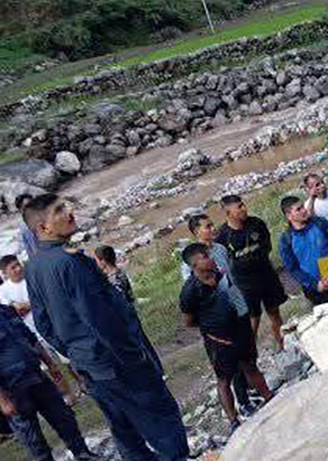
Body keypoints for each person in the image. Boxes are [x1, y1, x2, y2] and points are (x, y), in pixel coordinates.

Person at [22, 194, 189, 461]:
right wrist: (131, 354)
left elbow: (43, 324)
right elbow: (100, 318)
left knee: (124, 428)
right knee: (160, 418)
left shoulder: (33, 267)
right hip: (116, 361)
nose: (70, 212)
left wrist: (75, 351)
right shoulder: (69, 262)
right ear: (44, 227)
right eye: (60, 210)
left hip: (88, 364)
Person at [179, 244, 273, 434]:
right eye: (205, 256)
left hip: (240, 329)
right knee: (224, 379)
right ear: (195, 264)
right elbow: (188, 321)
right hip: (218, 341)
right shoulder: (190, 291)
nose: (211, 257)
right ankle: (233, 420)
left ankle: (269, 397)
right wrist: (211, 325)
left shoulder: (221, 273)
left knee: (250, 365)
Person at [184, 215, 259, 418]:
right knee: (231, 363)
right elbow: (194, 294)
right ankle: (243, 403)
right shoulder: (191, 261)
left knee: (248, 353)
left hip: (237, 305)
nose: (212, 228)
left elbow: (230, 275)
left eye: (211, 224)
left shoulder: (220, 249)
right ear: (196, 232)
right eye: (207, 227)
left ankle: (252, 389)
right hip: (218, 319)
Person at [0, 304, 97, 461]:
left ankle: (82, 453)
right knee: (32, 436)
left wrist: (51, 365)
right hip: (13, 389)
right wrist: (2, 400)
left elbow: (31, 339)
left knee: (63, 416)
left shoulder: (6, 310)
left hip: (36, 375)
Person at [0, 255, 81, 402]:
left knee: (68, 359)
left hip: (50, 326)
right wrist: (30, 305)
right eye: (13, 267)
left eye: (18, 264)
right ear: (5, 272)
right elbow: (12, 311)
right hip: (31, 333)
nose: (18, 269)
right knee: (51, 367)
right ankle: (67, 395)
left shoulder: (31, 278)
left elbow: (44, 299)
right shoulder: (3, 291)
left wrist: (26, 305)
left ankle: (82, 384)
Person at [215, 195, 287, 351]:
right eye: (239, 207)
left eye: (243, 205)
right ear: (228, 213)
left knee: (274, 311)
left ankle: (283, 345)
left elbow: (267, 246)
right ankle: (249, 354)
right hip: (244, 284)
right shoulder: (222, 236)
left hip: (266, 275)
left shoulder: (256, 223)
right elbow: (222, 262)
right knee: (253, 319)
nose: (244, 209)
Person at [278, 197, 328, 305]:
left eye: (303, 207)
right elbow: (293, 268)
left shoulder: (320, 223)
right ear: (289, 216)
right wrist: (315, 284)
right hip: (316, 290)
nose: (304, 210)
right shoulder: (286, 240)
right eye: (298, 209)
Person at [14, 194, 38, 258]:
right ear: (21, 210)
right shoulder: (23, 227)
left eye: (33, 204)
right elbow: (28, 248)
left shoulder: (46, 218)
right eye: (27, 206)